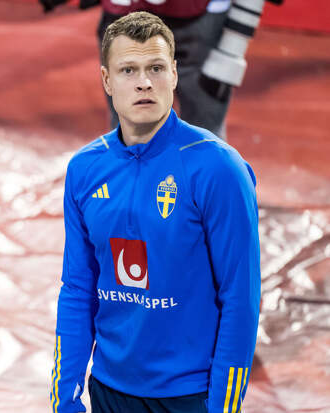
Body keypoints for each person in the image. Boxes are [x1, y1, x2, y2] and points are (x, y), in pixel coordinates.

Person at [50, 12, 260, 413]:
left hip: (190, 396)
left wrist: (223, 407)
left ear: (174, 75)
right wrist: (65, 396)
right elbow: (78, 289)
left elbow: (241, 298)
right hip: (108, 390)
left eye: (156, 68)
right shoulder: (85, 169)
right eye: (128, 70)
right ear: (107, 80)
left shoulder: (219, 169)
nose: (144, 82)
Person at [40, 0, 276, 139]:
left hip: (198, 21)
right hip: (130, 16)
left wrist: (232, 48)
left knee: (204, 134)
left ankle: (206, 201)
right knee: (131, 130)